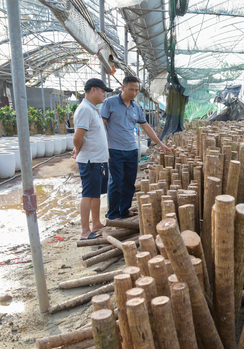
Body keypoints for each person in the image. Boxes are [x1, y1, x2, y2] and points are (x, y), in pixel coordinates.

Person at [101, 75, 171, 220]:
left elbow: (146, 127)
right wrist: (103, 148)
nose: (134, 93)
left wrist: (161, 144)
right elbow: (101, 126)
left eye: (136, 90)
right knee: (116, 182)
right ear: (123, 88)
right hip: (114, 150)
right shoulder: (109, 103)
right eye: (131, 89)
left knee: (129, 182)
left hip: (132, 150)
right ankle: (113, 213)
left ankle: (124, 210)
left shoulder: (136, 107)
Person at [72, 78, 112, 240]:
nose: (104, 95)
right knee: (88, 194)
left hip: (99, 160)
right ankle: (84, 231)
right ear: (93, 90)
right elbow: (77, 137)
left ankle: (96, 223)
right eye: (103, 92)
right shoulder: (85, 110)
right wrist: (78, 150)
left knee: (96, 194)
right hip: (90, 161)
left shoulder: (93, 109)